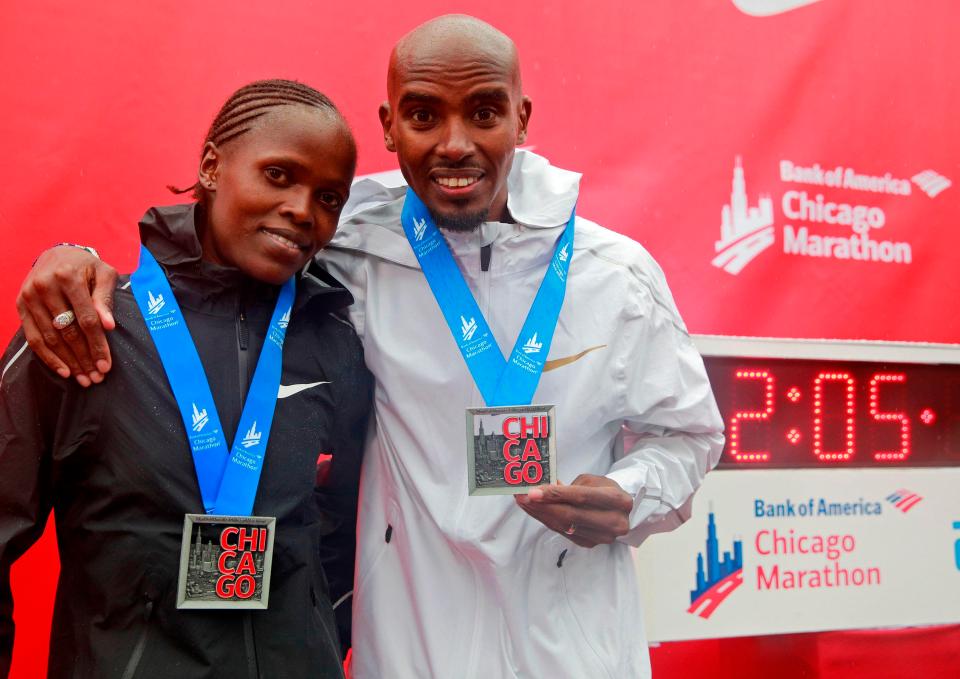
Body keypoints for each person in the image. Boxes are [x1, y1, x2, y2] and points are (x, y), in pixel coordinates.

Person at [16, 16, 724, 679]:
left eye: (484, 112)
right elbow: (222, 239)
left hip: (576, 644)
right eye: (423, 116)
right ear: (390, 126)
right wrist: (75, 257)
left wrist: (634, 492)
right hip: (411, 645)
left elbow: (690, 435)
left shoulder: (617, 274)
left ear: (522, 119)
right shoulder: (350, 242)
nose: (453, 144)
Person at [1, 79, 371, 678]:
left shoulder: (332, 341)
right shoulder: (88, 324)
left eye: (329, 197)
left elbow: (350, 519)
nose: (304, 211)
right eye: (279, 175)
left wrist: (317, 636)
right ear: (211, 165)